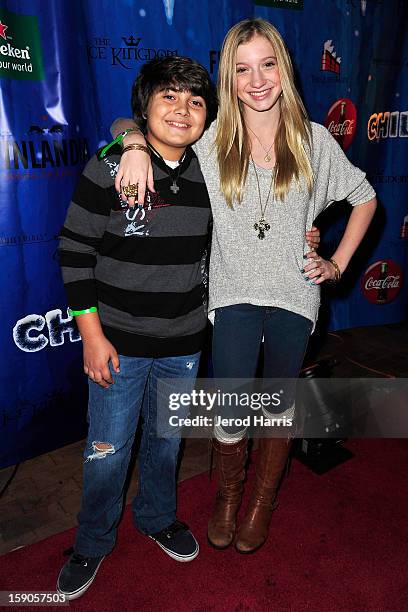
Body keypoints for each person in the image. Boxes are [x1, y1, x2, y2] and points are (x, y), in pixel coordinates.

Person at [111, 18, 376, 556]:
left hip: (295, 297)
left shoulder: (314, 141)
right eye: (241, 69)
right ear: (228, 79)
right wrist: (134, 143)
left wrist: (338, 264)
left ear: (284, 67)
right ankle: (228, 496)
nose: (257, 80)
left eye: (267, 64)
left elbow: (365, 196)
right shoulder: (212, 141)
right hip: (231, 296)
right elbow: (128, 120)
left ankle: (260, 502)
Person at [56, 55, 218, 600]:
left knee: (166, 445)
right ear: (144, 104)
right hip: (117, 344)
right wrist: (92, 337)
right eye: (169, 95)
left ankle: (156, 517)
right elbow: (74, 253)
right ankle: (93, 540)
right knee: (107, 451)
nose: (183, 108)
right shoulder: (108, 166)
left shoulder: (212, 172)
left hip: (185, 344)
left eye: (196, 100)